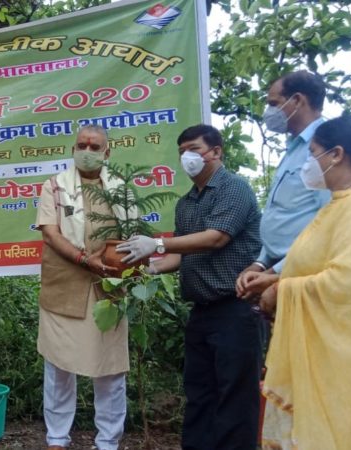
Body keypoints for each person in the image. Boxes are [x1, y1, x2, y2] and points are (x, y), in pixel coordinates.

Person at [237, 116, 351, 450]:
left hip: (349, 363)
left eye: (313, 153)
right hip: (334, 360)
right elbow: (327, 267)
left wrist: (280, 291)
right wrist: (275, 277)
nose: (308, 164)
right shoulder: (344, 204)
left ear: (336, 154)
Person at [118, 125, 263, 450]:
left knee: (236, 398)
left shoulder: (234, 188)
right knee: (199, 394)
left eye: (194, 148)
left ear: (216, 151)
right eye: (182, 150)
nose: (188, 156)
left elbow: (216, 238)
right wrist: (149, 268)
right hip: (201, 312)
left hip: (237, 308)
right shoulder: (186, 204)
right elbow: (184, 256)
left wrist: (156, 244)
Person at [35, 124, 131, 450]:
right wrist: (83, 259)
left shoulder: (122, 189)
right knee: (59, 368)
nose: (87, 151)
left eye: (94, 146)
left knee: (110, 370)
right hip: (64, 288)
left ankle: (107, 442)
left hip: (109, 289)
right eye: (81, 144)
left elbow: (133, 236)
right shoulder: (55, 186)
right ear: (73, 148)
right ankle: (57, 440)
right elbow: (50, 232)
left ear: (107, 152)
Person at [236, 71, 330, 296]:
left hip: (308, 273)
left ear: (297, 100)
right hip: (281, 267)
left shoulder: (326, 146)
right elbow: (285, 213)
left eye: (273, 103)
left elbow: (328, 223)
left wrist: (274, 274)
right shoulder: (294, 148)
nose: (268, 112)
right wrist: (261, 264)